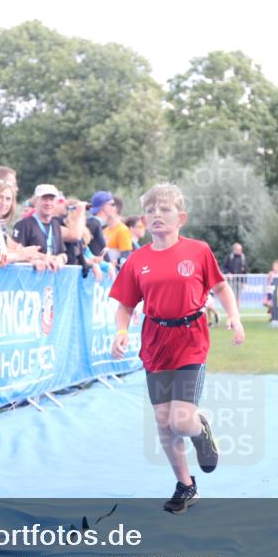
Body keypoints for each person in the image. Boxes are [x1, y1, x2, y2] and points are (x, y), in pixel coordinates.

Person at [109, 183, 245, 514]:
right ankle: (186, 485)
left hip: (190, 338)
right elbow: (125, 304)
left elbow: (222, 287)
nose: (157, 215)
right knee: (162, 420)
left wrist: (235, 318)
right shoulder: (136, 260)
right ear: (144, 218)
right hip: (155, 340)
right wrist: (121, 330)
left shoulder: (198, 251)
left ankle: (201, 429)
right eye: (151, 210)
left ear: (180, 218)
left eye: (165, 209)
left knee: (181, 421)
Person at [12, 184, 67, 272]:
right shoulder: (23, 225)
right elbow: (15, 254)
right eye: (44, 199)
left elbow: (63, 253)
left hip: (51, 280)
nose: (48, 203)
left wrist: (61, 259)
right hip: (28, 281)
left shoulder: (55, 225)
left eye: (51, 199)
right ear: (35, 201)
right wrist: (33, 261)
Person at [93, 190, 132, 265]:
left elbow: (126, 257)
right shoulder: (104, 230)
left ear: (115, 208)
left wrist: (111, 263)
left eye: (111, 205)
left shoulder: (122, 230)